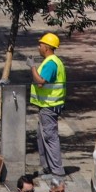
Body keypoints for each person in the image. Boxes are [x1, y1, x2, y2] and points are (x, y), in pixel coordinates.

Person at [28, 32, 65, 177]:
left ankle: (56, 169)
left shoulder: (51, 63)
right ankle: (48, 167)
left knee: (50, 137)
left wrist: (32, 67)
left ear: (47, 47)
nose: (39, 47)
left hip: (49, 106)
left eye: (41, 45)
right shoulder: (51, 61)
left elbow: (41, 82)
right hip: (47, 106)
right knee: (41, 136)